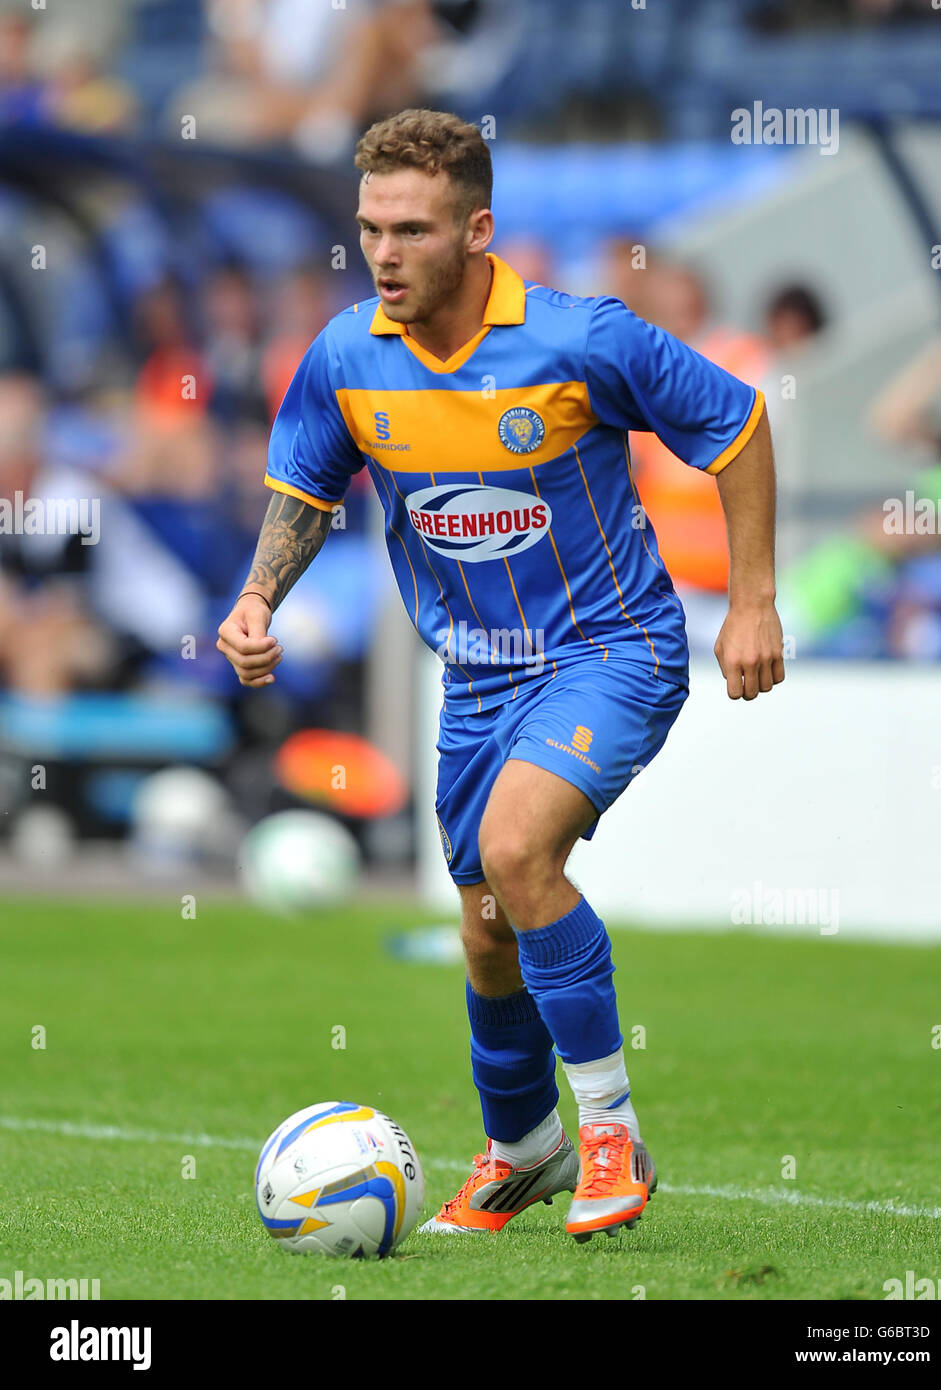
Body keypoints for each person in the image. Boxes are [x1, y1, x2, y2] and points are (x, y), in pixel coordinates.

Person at [216, 109, 784, 1243]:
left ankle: (610, 1133)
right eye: (370, 226)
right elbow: (305, 487)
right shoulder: (344, 356)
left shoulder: (582, 341)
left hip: (609, 649)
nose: (382, 252)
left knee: (520, 851)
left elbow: (735, 422)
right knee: (484, 923)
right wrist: (255, 597)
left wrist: (754, 601)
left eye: (412, 230)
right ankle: (521, 1149)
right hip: (473, 679)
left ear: (477, 231)